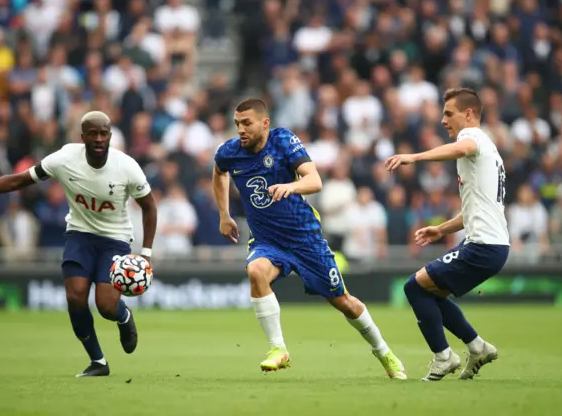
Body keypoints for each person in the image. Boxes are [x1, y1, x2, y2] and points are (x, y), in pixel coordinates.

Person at [0, 111, 158, 377]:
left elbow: (149, 207)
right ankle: (98, 362)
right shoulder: (65, 158)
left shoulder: (126, 166)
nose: (99, 139)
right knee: (75, 296)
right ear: (83, 137)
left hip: (115, 239)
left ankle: (123, 317)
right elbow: (19, 179)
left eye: (104, 133)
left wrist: (146, 253)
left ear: (111, 136)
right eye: (93, 133)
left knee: (105, 306)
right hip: (79, 233)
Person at [213, 98, 406, 379]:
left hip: (305, 239)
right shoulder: (229, 152)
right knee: (255, 271)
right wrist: (224, 214)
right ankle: (278, 348)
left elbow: (314, 181)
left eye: (246, 123)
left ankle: (383, 351)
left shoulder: (282, 141)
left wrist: (290, 187)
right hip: (267, 241)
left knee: (343, 302)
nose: (240, 130)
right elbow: (219, 173)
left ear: (265, 123)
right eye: (237, 124)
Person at [384, 87, 510, 381]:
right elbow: (477, 211)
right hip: (491, 244)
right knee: (430, 292)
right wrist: (441, 228)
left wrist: (413, 157)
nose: (443, 120)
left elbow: (461, 148)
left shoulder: (473, 137)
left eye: (448, 114)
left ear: (468, 114)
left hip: (483, 246)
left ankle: (443, 356)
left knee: (413, 287)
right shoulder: (489, 150)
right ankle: (477, 347)